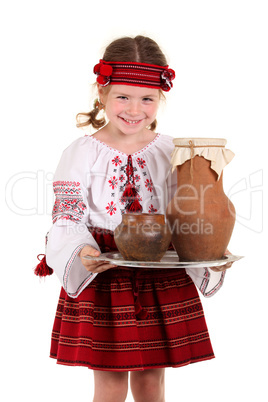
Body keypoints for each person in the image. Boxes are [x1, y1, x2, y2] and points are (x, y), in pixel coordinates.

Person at [37, 35, 232, 402]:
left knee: (150, 381)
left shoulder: (174, 151)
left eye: (147, 99)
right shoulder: (80, 153)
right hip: (104, 271)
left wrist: (210, 243)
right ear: (102, 92)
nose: (134, 109)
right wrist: (80, 252)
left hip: (162, 269)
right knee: (110, 385)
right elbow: (68, 214)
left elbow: (193, 206)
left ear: (161, 98)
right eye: (122, 97)